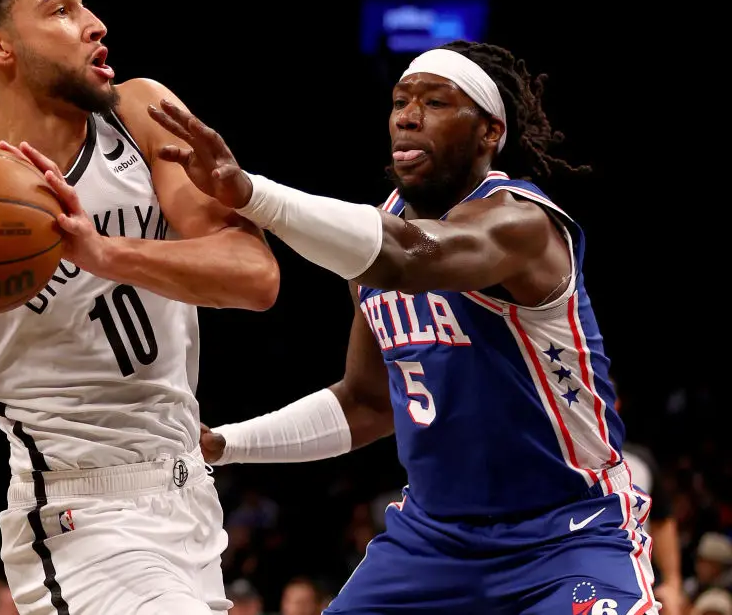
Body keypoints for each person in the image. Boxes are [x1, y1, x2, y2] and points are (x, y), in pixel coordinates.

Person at [155, 40, 659, 613]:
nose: (407, 115)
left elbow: (412, 257)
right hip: (433, 541)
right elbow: (368, 403)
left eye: (436, 102)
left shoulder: (522, 224)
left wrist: (250, 193)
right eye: (400, 101)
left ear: (490, 133)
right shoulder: (373, 244)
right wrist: (226, 442)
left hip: (568, 530)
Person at [0, 0, 280, 615]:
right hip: (79, 517)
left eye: (83, 6)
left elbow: (254, 274)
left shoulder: (142, 117)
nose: (94, 24)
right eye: (60, 10)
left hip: (192, 502)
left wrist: (104, 253)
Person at [613, 375, 687, 614]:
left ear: (616, 405)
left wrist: (673, 582)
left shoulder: (640, 461)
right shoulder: (558, 461)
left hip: (636, 582)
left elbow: (663, 520)